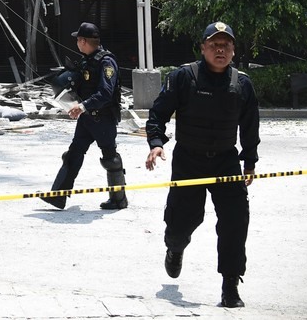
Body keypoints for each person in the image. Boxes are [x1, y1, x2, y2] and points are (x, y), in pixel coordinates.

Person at [145, 21, 260, 309]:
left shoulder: (242, 83)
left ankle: (230, 286)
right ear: (203, 48)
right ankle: (175, 246)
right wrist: (157, 143)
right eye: (214, 44)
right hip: (188, 160)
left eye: (226, 45)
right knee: (183, 221)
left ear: (233, 50)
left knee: (235, 222)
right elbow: (158, 113)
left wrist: (250, 161)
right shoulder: (184, 77)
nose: (220, 49)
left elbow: (250, 127)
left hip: (225, 161)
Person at [43, 22, 127, 211]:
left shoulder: (106, 62)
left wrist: (82, 106)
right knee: (73, 153)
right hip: (87, 118)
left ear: (83, 41)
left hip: (103, 118)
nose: (77, 43)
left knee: (110, 158)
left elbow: (106, 93)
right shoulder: (86, 60)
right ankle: (58, 196)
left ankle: (119, 199)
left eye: (78, 40)